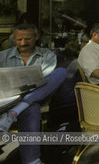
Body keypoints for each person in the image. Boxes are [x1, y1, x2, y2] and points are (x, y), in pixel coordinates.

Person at [0, 23, 67, 164]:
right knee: (32, 108)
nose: (23, 43)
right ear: (14, 39)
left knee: (61, 73)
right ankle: (32, 160)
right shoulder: (3, 56)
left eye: (28, 39)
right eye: (19, 39)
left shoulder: (47, 55)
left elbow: (45, 82)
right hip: (9, 98)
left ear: (36, 37)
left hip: (38, 94)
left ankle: (16, 111)